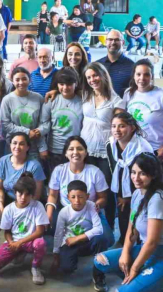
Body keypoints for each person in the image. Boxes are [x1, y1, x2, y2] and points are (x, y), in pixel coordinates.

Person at [93, 154, 163, 292]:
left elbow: (152, 242)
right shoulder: (138, 193)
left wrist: (134, 268)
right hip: (146, 249)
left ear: (153, 175)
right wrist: (125, 252)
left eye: (142, 173)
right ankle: (143, 283)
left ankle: (152, 286)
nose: (136, 178)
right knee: (100, 260)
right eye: (133, 172)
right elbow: (132, 226)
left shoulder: (158, 198)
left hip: (159, 253)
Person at [81, 62, 126, 229]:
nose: (92, 79)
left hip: (105, 153)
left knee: (106, 190)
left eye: (95, 75)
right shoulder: (86, 95)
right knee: (88, 187)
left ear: (103, 75)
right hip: (86, 150)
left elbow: (121, 129)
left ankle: (109, 226)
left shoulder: (116, 101)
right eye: (89, 77)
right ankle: (91, 224)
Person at [46, 136, 113, 248]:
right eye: (71, 149)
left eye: (80, 149)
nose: (75, 152)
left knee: (107, 239)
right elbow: (52, 195)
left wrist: (97, 205)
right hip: (66, 212)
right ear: (66, 153)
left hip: (90, 212)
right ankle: (80, 240)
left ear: (86, 152)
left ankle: (79, 241)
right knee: (48, 229)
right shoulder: (59, 170)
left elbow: (103, 198)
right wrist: (48, 215)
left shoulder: (95, 172)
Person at [51, 179, 109, 291]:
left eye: (81, 196)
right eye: (73, 197)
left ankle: (98, 275)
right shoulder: (64, 212)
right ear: (68, 197)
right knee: (66, 268)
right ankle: (73, 259)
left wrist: (77, 238)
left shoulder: (92, 206)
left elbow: (99, 229)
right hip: (69, 243)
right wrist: (56, 254)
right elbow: (58, 234)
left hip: (86, 241)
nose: (77, 200)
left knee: (102, 239)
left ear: (87, 196)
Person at [0, 173, 49, 285]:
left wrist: (20, 242)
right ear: (15, 192)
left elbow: (40, 231)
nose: (23, 197)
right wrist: (12, 243)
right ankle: (19, 253)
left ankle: (35, 267)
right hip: (15, 241)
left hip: (31, 241)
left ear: (32, 195)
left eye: (27, 194)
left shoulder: (38, 206)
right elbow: (7, 231)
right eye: (20, 193)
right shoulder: (9, 209)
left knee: (40, 243)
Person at [106, 112, 153, 245]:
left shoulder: (142, 149)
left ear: (132, 128)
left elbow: (146, 178)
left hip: (144, 189)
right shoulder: (111, 144)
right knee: (123, 215)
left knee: (140, 219)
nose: (117, 130)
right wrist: (122, 195)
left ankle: (140, 245)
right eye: (114, 126)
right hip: (123, 190)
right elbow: (118, 170)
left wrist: (130, 196)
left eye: (122, 126)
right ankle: (124, 242)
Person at [40, 67, 83, 173]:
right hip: (55, 150)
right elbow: (42, 124)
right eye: (61, 84)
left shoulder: (83, 102)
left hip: (76, 150)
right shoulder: (51, 100)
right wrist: (42, 147)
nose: (65, 88)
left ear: (76, 83)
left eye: (69, 84)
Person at [0, 68, 45, 159]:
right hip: (14, 146)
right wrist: (27, 132)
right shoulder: (7, 100)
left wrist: (42, 146)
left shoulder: (38, 98)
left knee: (33, 171)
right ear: (12, 81)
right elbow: (5, 124)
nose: (21, 82)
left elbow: (43, 122)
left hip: (34, 145)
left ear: (30, 80)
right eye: (17, 80)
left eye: (24, 79)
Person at [0, 133, 46, 209]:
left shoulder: (35, 166)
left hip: (27, 201)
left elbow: (36, 195)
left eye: (21, 144)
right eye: (14, 143)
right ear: (10, 145)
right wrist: (1, 206)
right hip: (8, 199)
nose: (17, 147)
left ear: (27, 147)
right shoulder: (3, 160)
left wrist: (19, 211)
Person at [124, 59, 163, 157]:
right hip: (134, 149)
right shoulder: (128, 93)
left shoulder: (160, 95)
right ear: (134, 76)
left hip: (156, 151)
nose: (142, 78)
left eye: (146, 74)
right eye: (138, 74)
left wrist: (162, 150)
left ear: (152, 76)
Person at [98, 29, 135, 97]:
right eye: (110, 39)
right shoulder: (98, 65)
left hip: (123, 107)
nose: (113, 42)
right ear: (106, 42)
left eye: (117, 40)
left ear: (123, 43)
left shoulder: (132, 66)